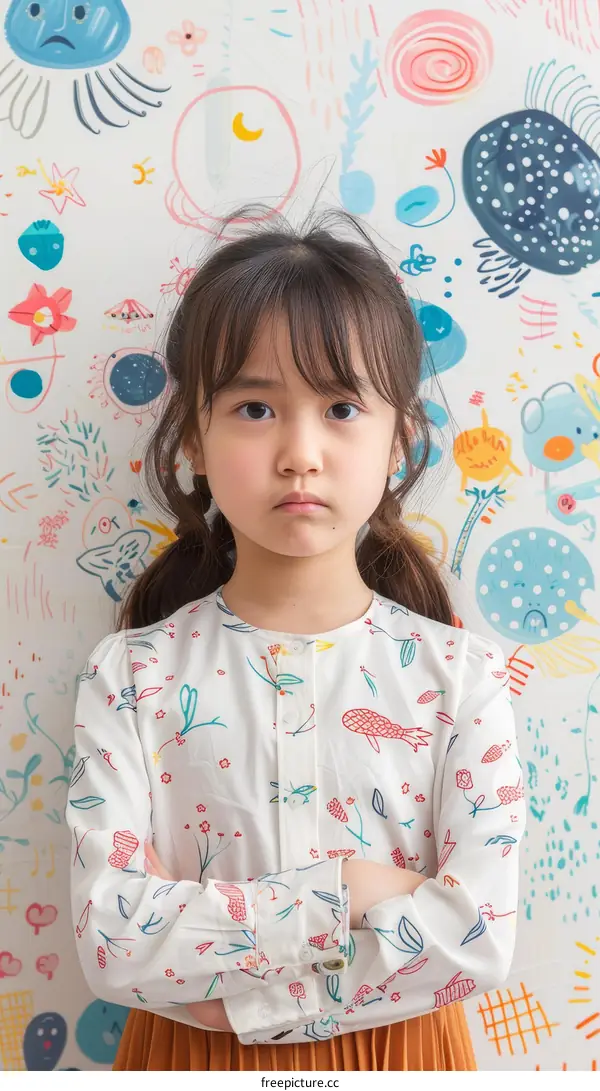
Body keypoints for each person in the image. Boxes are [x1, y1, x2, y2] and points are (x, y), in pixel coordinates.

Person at [65, 209, 525, 1072]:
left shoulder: (462, 678)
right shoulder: (130, 674)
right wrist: (343, 895)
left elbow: (477, 938)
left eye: (343, 406)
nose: (300, 452)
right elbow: (114, 941)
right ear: (194, 437)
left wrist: (230, 976)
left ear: (401, 439)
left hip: (402, 1056)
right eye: (254, 406)